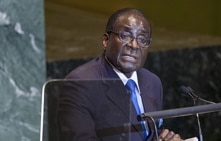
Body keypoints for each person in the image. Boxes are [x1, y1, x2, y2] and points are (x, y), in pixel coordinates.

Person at [58, 8, 183, 141]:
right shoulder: (81, 84)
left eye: (142, 39)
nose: (134, 45)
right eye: (125, 36)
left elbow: (150, 134)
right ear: (106, 41)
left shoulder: (152, 82)